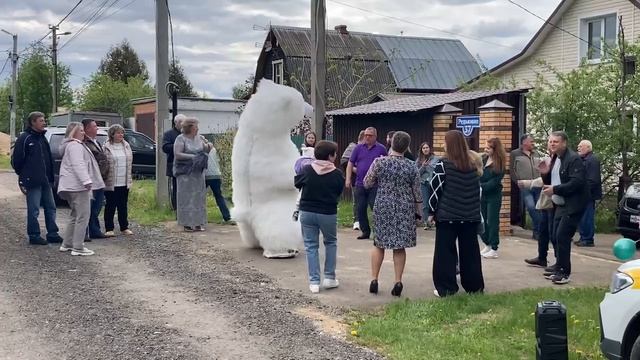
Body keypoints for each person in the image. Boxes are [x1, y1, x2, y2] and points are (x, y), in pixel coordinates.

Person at [365, 131, 422, 297]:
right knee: (399, 246)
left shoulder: (379, 162)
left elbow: (367, 183)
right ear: (407, 147)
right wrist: (419, 214)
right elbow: (417, 193)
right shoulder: (411, 166)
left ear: (391, 143)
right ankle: (398, 281)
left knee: (379, 244)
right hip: (405, 208)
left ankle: (374, 279)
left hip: (383, 205)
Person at [429, 130, 484, 297]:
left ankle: (446, 289)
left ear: (450, 144)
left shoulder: (442, 164)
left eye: (445, 142)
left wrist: (431, 211)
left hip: (447, 216)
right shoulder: (473, 165)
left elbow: (435, 190)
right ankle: (475, 288)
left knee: (445, 253)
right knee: (471, 253)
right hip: (470, 217)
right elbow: (477, 192)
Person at [294, 140, 345, 293]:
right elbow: (338, 192)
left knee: (311, 246)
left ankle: (314, 282)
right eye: (335, 154)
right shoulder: (337, 174)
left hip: (307, 212)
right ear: (330, 156)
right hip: (327, 212)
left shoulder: (306, 169)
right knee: (330, 242)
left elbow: (297, 184)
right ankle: (329, 277)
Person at [540, 131, 589, 285]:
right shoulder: (555, 158)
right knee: (554, 235)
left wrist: (555, 190)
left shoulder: (573, 159)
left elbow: (576, 183)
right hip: (560, 203)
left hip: (573, 204)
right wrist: (543, 174)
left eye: (556, 141)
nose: (552, 144)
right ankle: (558, 265)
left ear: (564, 143)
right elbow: (551, 179)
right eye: (550, 141)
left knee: (562, 235)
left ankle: (564, 272)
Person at [11, 111, 64, 245]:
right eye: (41, 120)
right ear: (33, 122)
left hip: (46, 179)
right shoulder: (25, 138)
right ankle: (34, 235)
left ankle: (52, 233)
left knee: (51, 207)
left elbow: (48, 159)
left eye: (44, 120)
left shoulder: (42, 138)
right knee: (34, 209)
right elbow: (17, 160)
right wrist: (24, 175)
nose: (44, 122)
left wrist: (51, 176)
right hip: (33, 180)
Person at [57, 122, 105, 256]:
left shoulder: (72, 146)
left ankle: (67, 243)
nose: (84, 133)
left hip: (71, 185)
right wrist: (87, 181)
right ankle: (78, 246)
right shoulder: (75, 146)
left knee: (75, 215)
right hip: (77, 186)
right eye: (81, 131)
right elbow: (78, 164)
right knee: (83, 216)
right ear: (74, 132)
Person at [346, 127, 387, 240]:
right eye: (366, 135)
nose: (367, 137)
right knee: (360, 208)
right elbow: (350, 163)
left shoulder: (381, 149)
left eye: (370, 135)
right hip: (360, 183)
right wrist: (348, 179)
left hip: (375, 184)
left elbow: (386, 164)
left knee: (376, 208)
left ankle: (379, 231)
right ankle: (365, 231)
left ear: (375, 137)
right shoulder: (358, 148)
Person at [174, 117, 211, 232]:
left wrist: (208, 146)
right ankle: (187, 224)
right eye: (196, 126)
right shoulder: (180, 138)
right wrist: (194, 157)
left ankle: (198, 222)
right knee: (186, 197)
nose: (198, 128)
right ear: (189, 127)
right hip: (185, 172)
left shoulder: (199, 138)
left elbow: (205, 150)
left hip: (198, 173)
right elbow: (177, 154)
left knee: (198, 197)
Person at [523, 143, 557, 269]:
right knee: (543, 232)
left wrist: (528, 183)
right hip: (545, 201)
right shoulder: (548, 160)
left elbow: (548, 180)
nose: (551, 147)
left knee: (554, 233)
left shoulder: (560, 162)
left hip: (554, 202)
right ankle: (541, 257)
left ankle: (559, 262)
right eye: (550, 145)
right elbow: (544, 179)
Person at [103, 124, 134, 237]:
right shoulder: (106, 146)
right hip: (111, 181)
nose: (121, 135)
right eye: (118, 133)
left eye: (122, 133)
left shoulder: (126, 145)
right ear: (112, 134)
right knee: (110, 205)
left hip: (124, 180)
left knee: (123, 205)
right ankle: (109, 228)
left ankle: (124, 227)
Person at [81, 118, 109, 240]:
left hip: (100, 179)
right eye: (94, 126)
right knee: (89, 207)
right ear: (87, 129)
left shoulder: (96, 142)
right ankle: (85, 232)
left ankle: (94, 229)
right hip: (91, 179)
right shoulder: (84, 143)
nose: (97, 128)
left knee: (97, 207)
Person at [479, 137, 506, 259]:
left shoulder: (499, 162)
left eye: (489, 148)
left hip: (493, 195)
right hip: (482, 195)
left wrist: (480, 186)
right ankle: (487, 244)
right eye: (485, 147)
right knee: (483, 220)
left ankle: (494, 247)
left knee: (492, 220)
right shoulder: (483, 159)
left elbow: (495, 182)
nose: (486, 150)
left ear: (495, 149)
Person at [511, 134, 541, 239]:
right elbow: (512, 170)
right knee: (532, 208)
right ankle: (540, 229)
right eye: (531, 141)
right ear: (524, 143)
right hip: (525, 186)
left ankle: (537, 232)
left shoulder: (536, 153)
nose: (533, 143)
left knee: (539, 208)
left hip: (537, 184)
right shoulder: (515, 153)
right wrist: (517, 181)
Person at [576, 140, 602, 247]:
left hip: (588, 194)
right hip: (583, 193)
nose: (578, 148)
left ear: (588, 148)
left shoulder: (592, 160)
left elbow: (593, 179)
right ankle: (583, 237)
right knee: (582, 216)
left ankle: (587, 239)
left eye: (580, 146)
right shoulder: (584, 159)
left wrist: (584, 191)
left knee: (587, 216)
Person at [340, 130, 365, 230]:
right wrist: (355, 170)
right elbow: (344, 161)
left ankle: (365, 221)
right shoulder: (353, 147)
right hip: (356, 179)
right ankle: (357, 221)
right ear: (362, 138)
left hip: (368, 180)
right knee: (357, 201)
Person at [204, 141, 232, 223]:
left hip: (205, 175)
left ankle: (199, 217)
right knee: (219, 196)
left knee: (199, 197)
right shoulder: (213, 149)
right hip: (216, 174)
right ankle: (227, 216)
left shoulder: (201, 149)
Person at [163, 114, 186, 211]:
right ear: (176, 123)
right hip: (174, 165)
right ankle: (176, 208)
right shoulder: (169, 134)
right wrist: (178, 147)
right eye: (182, 122)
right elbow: (165, 147)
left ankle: (185, 207)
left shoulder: (188, 133)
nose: (184, 124)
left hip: (187, 166)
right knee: (176, 188)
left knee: (186, 188)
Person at [416, 142, 438, 230]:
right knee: (425, 203)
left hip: (433, 182)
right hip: (423, 183)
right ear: (421, 150)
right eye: (423, 148)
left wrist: (429, 166)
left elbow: (436, 170)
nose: (425, 149)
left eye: (427, 147)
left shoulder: (436, 159)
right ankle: (426, 222)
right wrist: (422, 166)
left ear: (430, 149)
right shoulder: (418, 160)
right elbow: (416, 173)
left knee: (434, 202)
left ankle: (434, 220)